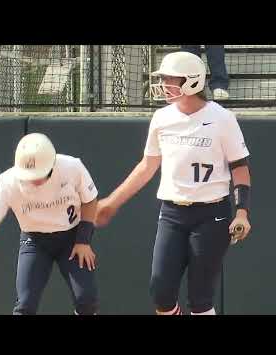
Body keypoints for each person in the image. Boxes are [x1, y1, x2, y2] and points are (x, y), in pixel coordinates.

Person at [96, 51, 251, 315]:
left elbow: (240, 168)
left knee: (200, 297)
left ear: (191, 81)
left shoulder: (222, 118)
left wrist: (242, 213)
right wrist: (112, 202)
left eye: (170, 79)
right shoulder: (162, 118)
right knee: (161, 291)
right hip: (172, 213)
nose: (163, 84)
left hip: (211, 214)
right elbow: (147, 166)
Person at [0, 133, 100, 315]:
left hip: (72, 238)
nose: (34, 180)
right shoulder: (8, 182)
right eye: (29, 175)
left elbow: (90, 200)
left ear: (51, 164)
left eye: (39, 174)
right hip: (35, 241)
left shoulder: (71, 167)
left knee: (86, 298)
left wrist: (83, 240)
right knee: (25, 304)